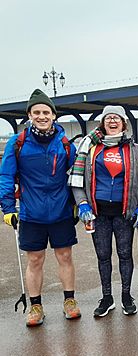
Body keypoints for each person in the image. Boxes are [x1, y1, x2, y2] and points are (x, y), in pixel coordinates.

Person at [0, 89, 80, 326]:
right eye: (37, 112)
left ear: (54, 115)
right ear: (29, 115)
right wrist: (8, 208)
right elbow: (6, 175)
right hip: (31, 213)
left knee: (65, 256)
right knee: (35, 260)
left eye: (46, 112)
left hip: (61, 211)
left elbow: (77, 175)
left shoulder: (65, 144)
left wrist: (78, 204)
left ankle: (70, 301)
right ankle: (35, 306)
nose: (42, 116)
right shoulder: (18, 143)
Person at [71, 106, 138, 317]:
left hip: (124, 213)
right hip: (98, 213)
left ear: (124, 123)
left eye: (117, 118)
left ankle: (126, 295)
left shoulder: (135, 150)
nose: (113, 121)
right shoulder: (90, 148)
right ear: (103, 123)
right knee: (103, 255)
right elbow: (77, 180)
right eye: (108, 118)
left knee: (125, 254)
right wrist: (82, 204)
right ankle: (107, 297)